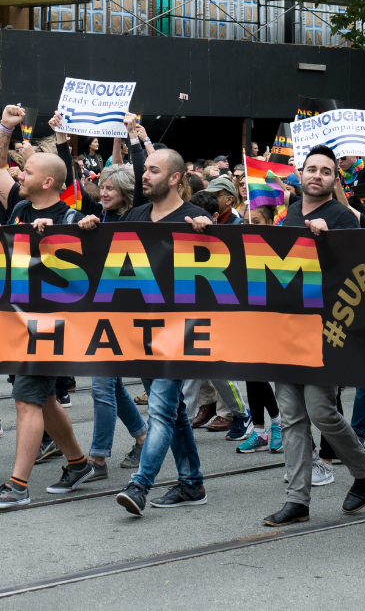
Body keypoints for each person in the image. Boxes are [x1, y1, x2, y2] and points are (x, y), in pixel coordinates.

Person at [0, 106, 96, 508]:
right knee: (41, 398)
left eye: (24, 172)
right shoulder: (21, 209)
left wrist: (68, 234)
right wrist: (6, 126)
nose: (16, 175)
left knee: (27, 398)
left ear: (47, 181)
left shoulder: (73, 217)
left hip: (53, 326)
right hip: (20, 321)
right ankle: (78, 463)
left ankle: (17, 485)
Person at [259, 144, 365, 529]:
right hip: (286, 327)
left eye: (325, 171)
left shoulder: (345, 218)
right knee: (292, 417)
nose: (317, 175)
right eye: (311, 169)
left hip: (327, 329)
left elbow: (358, 271)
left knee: (321, 410)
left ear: (335, 179)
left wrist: (332, 240)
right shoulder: (289, 214)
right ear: (300, 173)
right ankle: (297, 499)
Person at [107, 147, 214, 516]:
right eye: (144, 170)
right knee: (172, 412)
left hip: (180, 330)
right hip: (142, 328)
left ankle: (140, 484)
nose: (144, 176)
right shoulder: (136, 214)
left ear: (174, 178)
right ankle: (191, 483)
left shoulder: (196, 217)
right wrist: (90, 229)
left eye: (153, 170)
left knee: (161, 409)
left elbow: (222, 272)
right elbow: (107, 255)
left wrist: (210, 237)